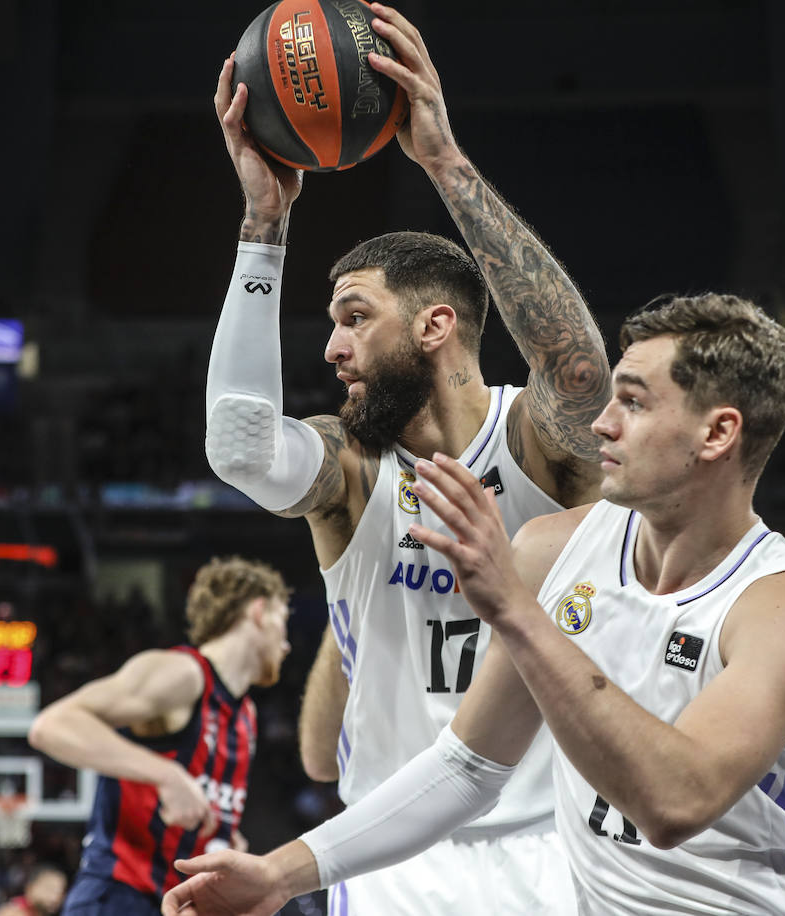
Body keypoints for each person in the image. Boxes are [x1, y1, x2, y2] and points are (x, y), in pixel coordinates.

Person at [164, 294, 785, 915]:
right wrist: (279, 875)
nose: (603, 425)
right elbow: (465, 768)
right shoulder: (554, 550)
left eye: (635, 404)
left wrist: (516, 611)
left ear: (717, 434)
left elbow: (675, 804)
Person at [203, 3, 608, 912]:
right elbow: (236, 445)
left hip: (553, 848)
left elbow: (579, 372)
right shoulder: (348, 469)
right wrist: (262, 227)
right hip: (389, 862)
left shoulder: (540, 447)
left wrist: (443, 162)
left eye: (354, 317)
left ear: (435, 326)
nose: (331, 350)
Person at [28, 558, 292, 915]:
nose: (287, 644)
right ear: (258, 611)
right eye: (283, 621)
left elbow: (202, 812)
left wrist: (229, 845)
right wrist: (166, 774)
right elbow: (52, 725)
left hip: (177, 905)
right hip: (118, 897)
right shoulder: (183, 674)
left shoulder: (246, 716)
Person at [0, 866, 67, 916]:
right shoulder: (14, 912)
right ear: (30, 887)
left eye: (60, 892)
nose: (55, 897)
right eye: (49, 889)